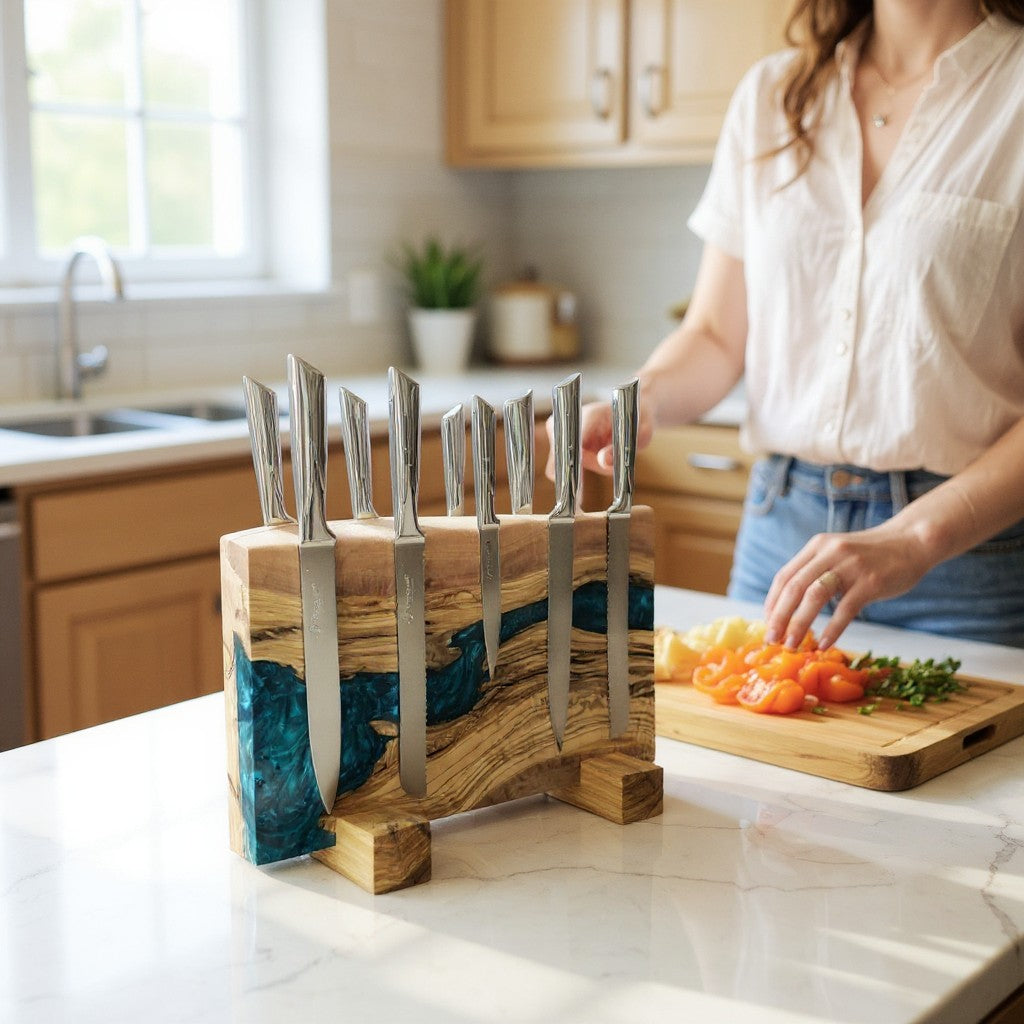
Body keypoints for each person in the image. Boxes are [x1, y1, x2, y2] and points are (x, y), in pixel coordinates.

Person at [551, 0, 1024, 650]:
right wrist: (638, 402)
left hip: (969, 564)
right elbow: (715, 333)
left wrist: (916, 537)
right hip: (781, 541)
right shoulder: (773, 95)